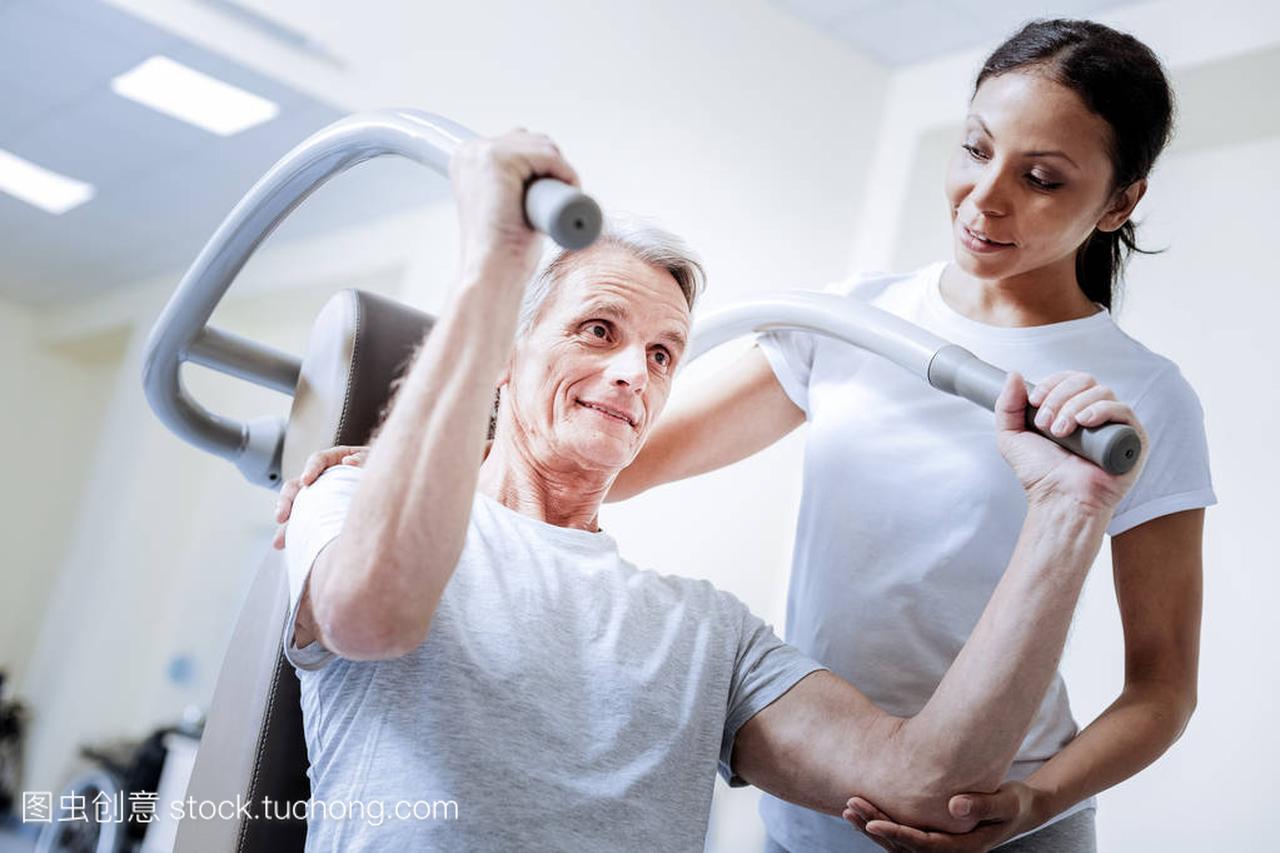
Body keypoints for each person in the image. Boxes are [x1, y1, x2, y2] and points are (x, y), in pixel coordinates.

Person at [274, 129, 1147, 852]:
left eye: (662, 355)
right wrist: (494, 264)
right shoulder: (351, 500)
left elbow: (927, 786)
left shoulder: (707, 632)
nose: (632, 373)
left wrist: (1069, 513)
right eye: (597, 330)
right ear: (508, 352)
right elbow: (374, 614)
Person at [608, 18, 1214, 853]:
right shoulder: (853, 317)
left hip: (998, 825)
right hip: (809, 807)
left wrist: (1033, 801)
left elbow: (1163, 688)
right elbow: (618, 462)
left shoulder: (1142, 396)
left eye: (1040, 177)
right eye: (974, 149)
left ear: (1120, 201)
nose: (986, 197)